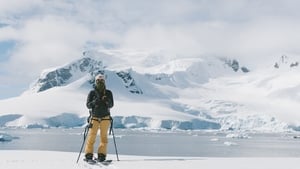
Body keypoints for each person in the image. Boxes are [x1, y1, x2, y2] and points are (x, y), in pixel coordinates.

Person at [84, 74, 114, 162]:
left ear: (104, 81)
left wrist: (106, 101)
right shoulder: (92, 93)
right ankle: (89, 154)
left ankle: (102, 155)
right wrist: (94, 102)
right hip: (95, 118)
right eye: (98, 81)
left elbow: (111, 105)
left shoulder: (108, 93)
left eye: (101, 81)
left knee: (103, 137)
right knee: (91, 137)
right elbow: (88, 105)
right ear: (95, 82)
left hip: (105, 118)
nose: (100, 82)